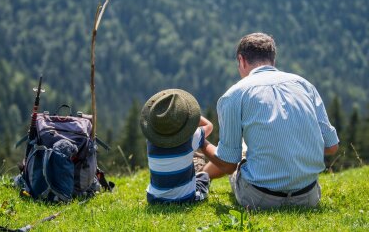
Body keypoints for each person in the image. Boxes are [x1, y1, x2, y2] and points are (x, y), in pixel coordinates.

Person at [201, 32, 339, 210]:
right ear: (272, 60)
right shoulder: (304, 85)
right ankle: (201, 175)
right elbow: (331, 147)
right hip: (309, 197)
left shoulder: (234, 95)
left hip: (258, 199)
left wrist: (201, 143)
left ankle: (200, 176)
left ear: (241, 60)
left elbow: (228, 164)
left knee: (242, 149)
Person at [140, 88, 213, 203]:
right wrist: (191, 115)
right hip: (185, 199)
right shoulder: (191, 138)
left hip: (154, 199)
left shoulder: (150, 140)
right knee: (204, 177)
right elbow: (209, 126)